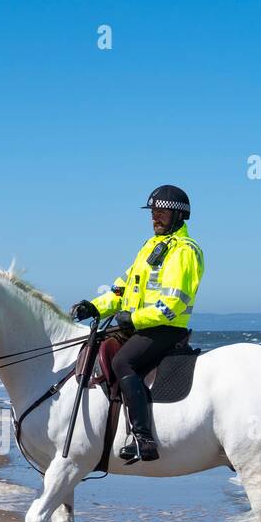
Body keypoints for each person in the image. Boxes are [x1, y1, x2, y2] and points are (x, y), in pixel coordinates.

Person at [72, 184, 204, 463]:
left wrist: (133, 318)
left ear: (178, 217)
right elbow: (121, 289)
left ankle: (143, 437)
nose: (155, 217)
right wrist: (94, 305)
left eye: (162, 213)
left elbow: (172, 305)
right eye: (153, 212)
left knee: (123, 363)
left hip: (165, 329)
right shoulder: (150, 247)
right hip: (138, 326)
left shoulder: (184, 251)